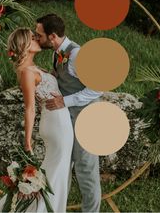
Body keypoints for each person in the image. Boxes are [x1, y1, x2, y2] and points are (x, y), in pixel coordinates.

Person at [0, 28, 74, 213]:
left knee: (57, 170)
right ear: (24, 45)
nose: (37, 40)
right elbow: (30, 108)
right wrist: (27, 141)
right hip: (56, 123)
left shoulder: (35, 68)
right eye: (32, 38)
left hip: (60, 121)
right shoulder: (26, 72)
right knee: (58, 171)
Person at [35, 13, 102, 213]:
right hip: (68, 119)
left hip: (86, 118)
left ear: (52, 36)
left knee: (86, 169)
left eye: (39, 35)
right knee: (65, 165)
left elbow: (97, 88)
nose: (37, 38)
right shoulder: (58, 53)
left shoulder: (77, 54)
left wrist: (64, 101)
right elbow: (65, 78)